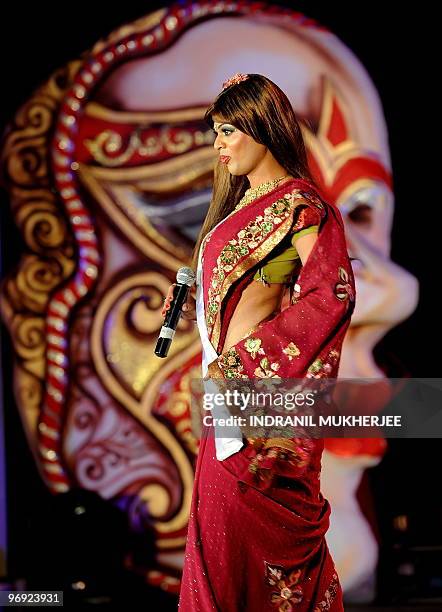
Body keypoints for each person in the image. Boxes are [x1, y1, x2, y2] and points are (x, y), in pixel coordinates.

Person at [162, 73, 355, 611]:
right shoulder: (233, 211)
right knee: (219, 541)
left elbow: (331, 294)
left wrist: (247, 362)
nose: (218, 144)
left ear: (260, 126)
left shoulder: (300, 206)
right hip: (226, 402)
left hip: (255, 401)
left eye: (226, 131)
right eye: (215, 133)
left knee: (244, 537)